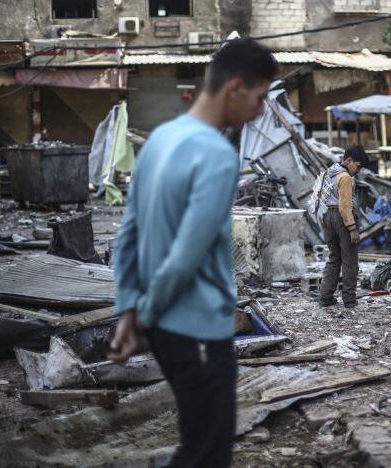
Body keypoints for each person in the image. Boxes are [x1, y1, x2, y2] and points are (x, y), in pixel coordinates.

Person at [108, 38, 277, 467]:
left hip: (166, 331)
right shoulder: (219, 155)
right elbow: (186, 255)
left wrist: (129, 308)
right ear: (234, 88)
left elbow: (127, 235)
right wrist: (143, 313)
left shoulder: (161, 138)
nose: (260, 111)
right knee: (206, 453)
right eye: (260, 98)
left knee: (195, 443)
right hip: (198, 328)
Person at [318, 146, 369, 308]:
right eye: (358, 166)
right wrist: (352, 228)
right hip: (341, 218)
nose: (358, 171)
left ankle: (325, 296)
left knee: (334, 258)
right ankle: (349, 299)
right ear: (348, 160)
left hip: (327, 216)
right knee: (350, 261)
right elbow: (345, 205)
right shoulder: (345, 177)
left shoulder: (329, 172)